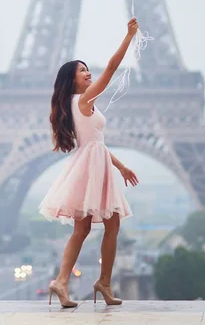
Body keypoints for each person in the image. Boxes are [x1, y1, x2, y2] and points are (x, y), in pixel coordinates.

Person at [39, 18, 140, 307]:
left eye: (87, 69)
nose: (88, 73)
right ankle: (103, 283)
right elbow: (110, 70)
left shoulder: (77, 104)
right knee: (112, 224)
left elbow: (96, 143)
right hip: (92, 168)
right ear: (71, 79)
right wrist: (129, 37)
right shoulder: (82, 101)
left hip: (93, 164)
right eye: (82, 71)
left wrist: (120, 166)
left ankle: (61, 282)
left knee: (82, 230)